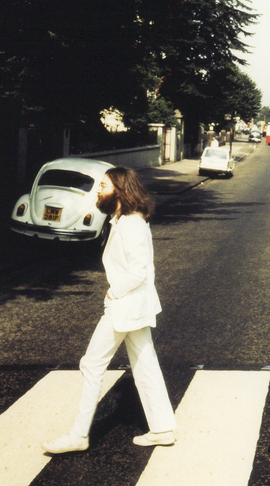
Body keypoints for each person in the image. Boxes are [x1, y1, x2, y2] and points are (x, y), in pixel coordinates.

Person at [43, 166, 177, 454]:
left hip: (124, 307)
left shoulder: (131, 224)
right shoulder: (124, 220)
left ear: (119, 190)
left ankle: (79, 435)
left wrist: (112, 292)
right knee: (145, 364)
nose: (98, 190)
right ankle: (163, 427)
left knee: (92, 365)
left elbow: (139, 271)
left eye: (103, 185)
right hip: (133, 307)